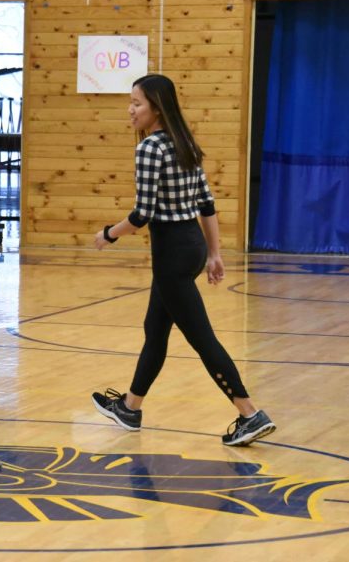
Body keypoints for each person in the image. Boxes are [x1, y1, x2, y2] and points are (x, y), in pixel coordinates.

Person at [91, 74, 276, 447]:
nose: (130, 109)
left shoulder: (149, 149)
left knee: (202, 339)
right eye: (130, 102)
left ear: (156, 107)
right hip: (190, 247)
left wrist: (109, 233)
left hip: (172, 254)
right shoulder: (184, 142)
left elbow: (142, 214)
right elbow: (206, 204)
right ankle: (130, 406)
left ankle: (250, 413)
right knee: (154, 330)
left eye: (137, 103)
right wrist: (214, 253)